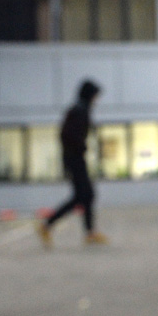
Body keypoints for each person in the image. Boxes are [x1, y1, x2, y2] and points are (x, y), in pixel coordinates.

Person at [37, 79, 108, 248]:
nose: (96, 100)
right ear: (90, 95)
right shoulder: (79, 110)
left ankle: (89, 233)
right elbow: (66, 135)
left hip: (75, 158)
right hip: (74, 159)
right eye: (95, 96)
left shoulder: (81, 109)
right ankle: (47, 225)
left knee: (86, 195)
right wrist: (80, 147)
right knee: (83, 195)